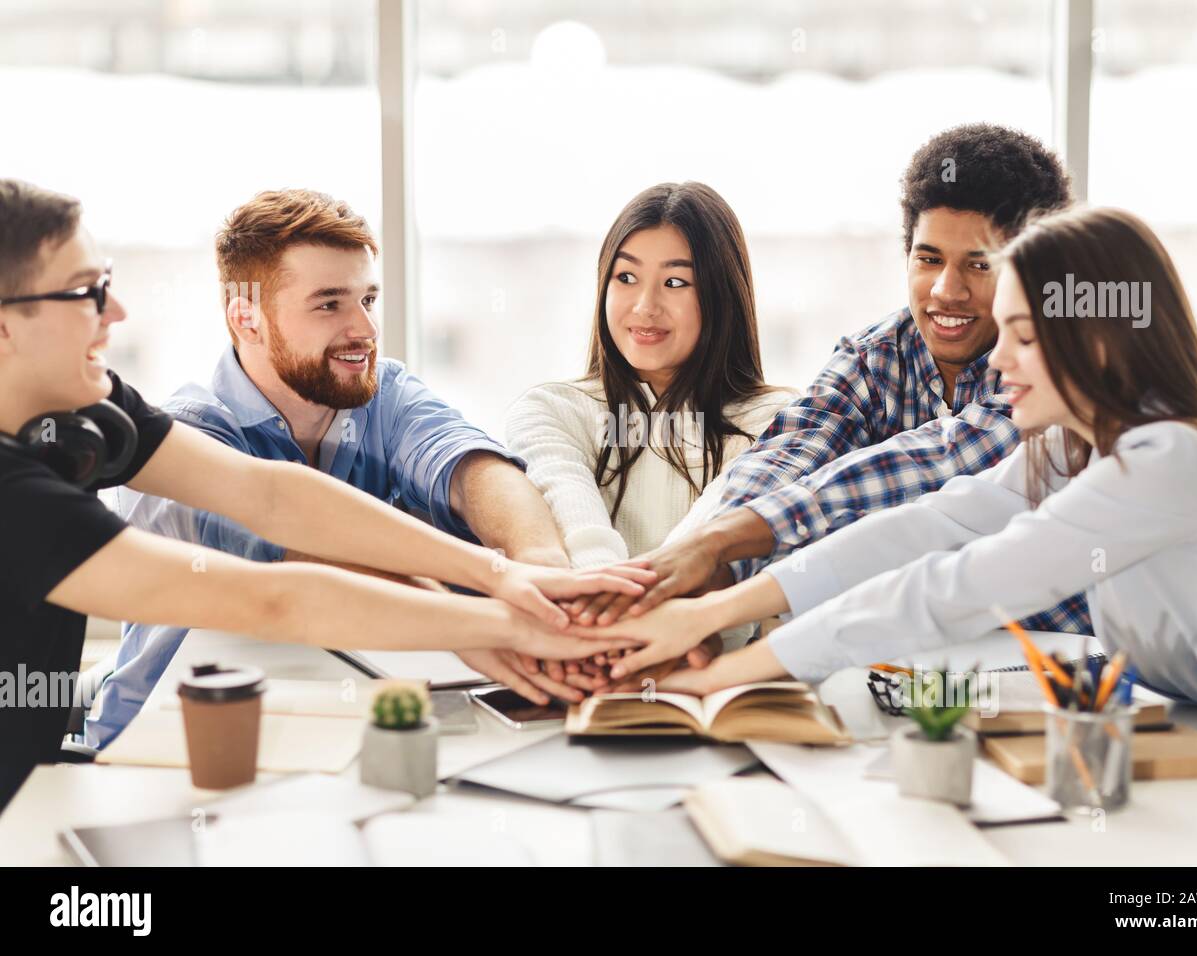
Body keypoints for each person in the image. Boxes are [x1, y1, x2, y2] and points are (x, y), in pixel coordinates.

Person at [0, 180, 641, 807]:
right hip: (89, 783)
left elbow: (271, 495)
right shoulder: (18, 494)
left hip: (50, 779)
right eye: (88, 292)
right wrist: (511, 626)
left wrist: (502, 575)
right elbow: (274, 596)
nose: (118, 313)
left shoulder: (99, 411)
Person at [577, 207, 1197, 749]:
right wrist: (708, 612)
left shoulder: (1170, 462)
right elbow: (932, 525)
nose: (997, 361)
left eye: (1022, 335)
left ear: (1099, 337)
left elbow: (960, 586)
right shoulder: (1072, 449)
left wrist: (724, 675)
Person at [563, 124, 1083, 635]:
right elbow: (791, 453)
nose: (947, 290)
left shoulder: (1054, 369)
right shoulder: (873, 357)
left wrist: (718, 548)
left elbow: (943, 461)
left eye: (980, 265)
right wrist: (696, 577)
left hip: (1065, 656)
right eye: (929, 259)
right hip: (910, 655)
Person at [505, 182, 796, 687]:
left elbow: (708, 546)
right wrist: (624, 624)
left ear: (721, 294)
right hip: (587, 676)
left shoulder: (778, 419)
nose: (644, 306)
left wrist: (634, 620)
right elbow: (581, 538)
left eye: (677, 283)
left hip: (715, 685)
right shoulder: (552, 410)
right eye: (626, 277)